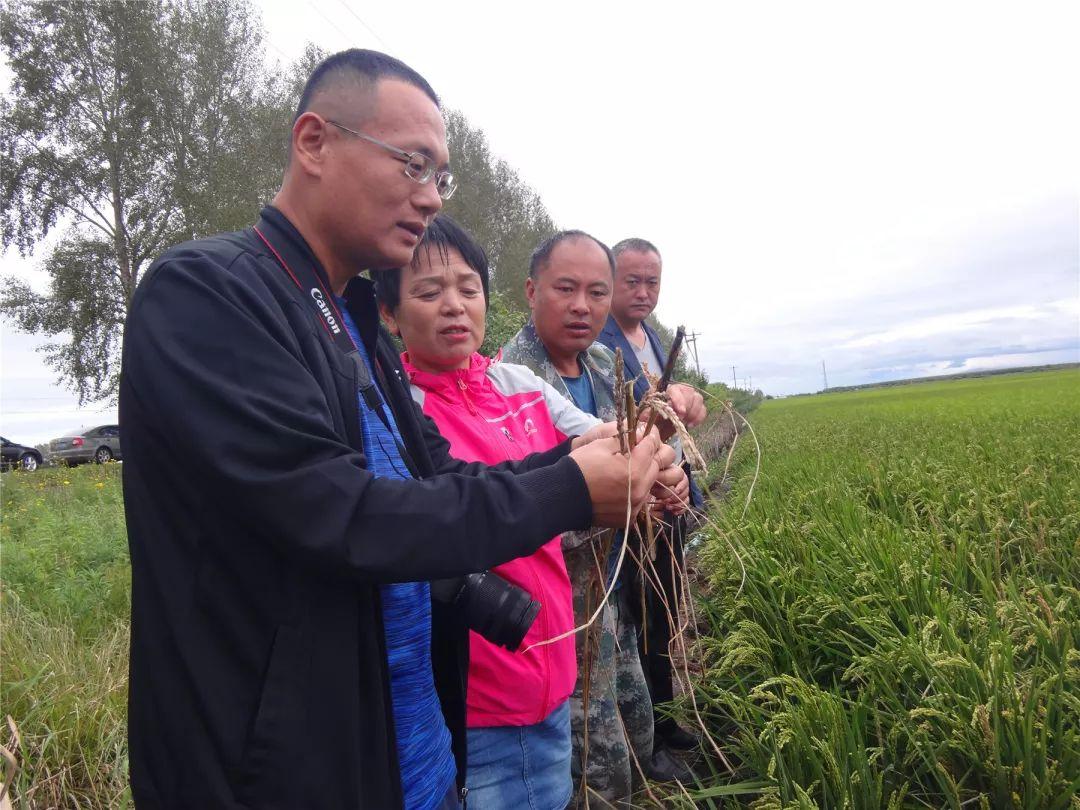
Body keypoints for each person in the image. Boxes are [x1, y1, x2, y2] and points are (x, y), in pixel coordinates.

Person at [120, 50, 671, 810]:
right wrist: (574, 492)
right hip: (284, 775)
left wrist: (581, 459)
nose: (430, 199)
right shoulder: (207, 296)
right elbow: (344, 515)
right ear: (313, 142)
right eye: (412, 165)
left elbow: (439, 485)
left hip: (411, 751)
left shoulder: (359, 332)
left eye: (440, 177)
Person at [375, 214, 683, 809]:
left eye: (468, 289)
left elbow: (606, 439)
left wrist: (658, 461)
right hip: (483, 686)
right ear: (389, 314)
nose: (454, 307)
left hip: (554, 659)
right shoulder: (398, 414)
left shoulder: (517, 383)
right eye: (428, 292)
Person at [502, 231, 704, 805]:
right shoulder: (509, 380)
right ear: (531, 290)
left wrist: (669, 475)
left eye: (596, 292)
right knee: (587, 727)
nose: (581, 306)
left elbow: (642, 445)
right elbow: (515, 499)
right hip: (558, 598)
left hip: (614, 571)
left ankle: (644, 774)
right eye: (565, 288)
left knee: (631, 693)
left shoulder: (602, 362)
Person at [599, 237, 706, 754]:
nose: (643, 292)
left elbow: (672, 426)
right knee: (639, 622)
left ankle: (664, 719)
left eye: (652, 281)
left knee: (665, 616)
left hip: (667, 507)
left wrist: (689, 487)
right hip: (632, 513)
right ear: (612, 282)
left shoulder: (655, 339)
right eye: (631, 281)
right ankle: (648, 733)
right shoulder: (599, 346)